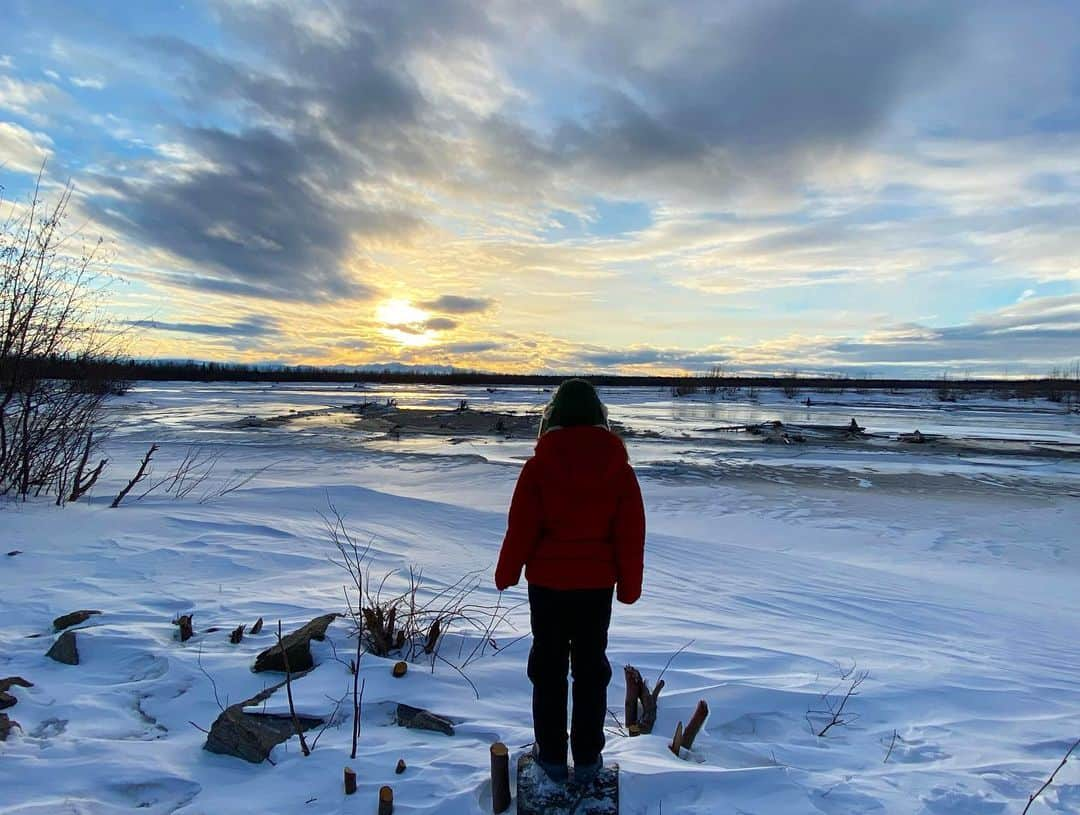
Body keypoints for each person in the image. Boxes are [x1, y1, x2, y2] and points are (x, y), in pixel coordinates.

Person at [494, 379, 646, 785]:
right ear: (600, 419)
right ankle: (588, 759)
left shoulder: (538, 468)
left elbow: (521, 529)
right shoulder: (619, 471)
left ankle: (551, 758)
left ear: (553, 417)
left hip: (547, 589)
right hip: (596, 590)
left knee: (548, 670)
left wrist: (507, 573)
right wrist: (629, 587)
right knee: (591, 672)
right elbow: (630, 536)